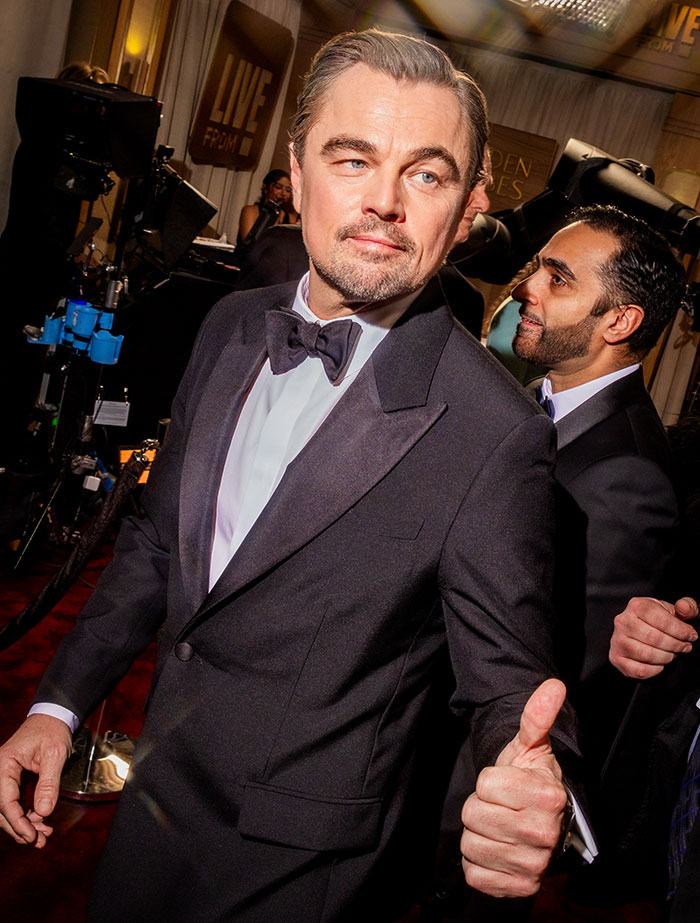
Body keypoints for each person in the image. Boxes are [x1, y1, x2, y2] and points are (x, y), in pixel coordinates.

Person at [0, 30, 580, 922]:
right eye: (352, 158)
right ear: (299, 173)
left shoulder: (494, 433)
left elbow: (510, 685)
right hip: (149, 808)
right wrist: (60, 702)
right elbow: (156, 540)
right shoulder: (231, 324)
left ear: (468, 209)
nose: (384, 200)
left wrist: (532, 780)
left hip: (296, 871)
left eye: (427, 174)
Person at [511, 204, 686, 770]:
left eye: (557, 279)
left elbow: (565, 673)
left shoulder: (629, 476)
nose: (526, 287)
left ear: (619, 322)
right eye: (538, 268)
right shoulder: (525, 403)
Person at [237, 168, 298, 244]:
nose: (283, 193)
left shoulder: (291, 218)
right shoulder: (250, 211)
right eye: (278, 187)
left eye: (288, 190)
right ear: (265, 187)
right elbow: (248, 243)